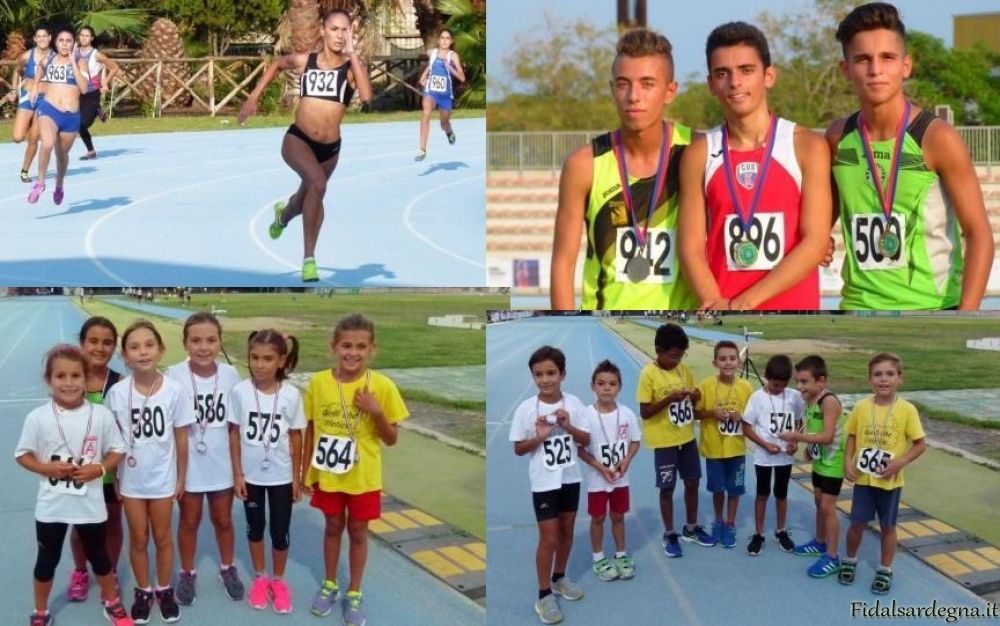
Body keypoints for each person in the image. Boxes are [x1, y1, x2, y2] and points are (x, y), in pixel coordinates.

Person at [827, 2, 993, 309]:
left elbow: (978, 234)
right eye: (862, 59)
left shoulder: (937, 138)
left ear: (906, 65)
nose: (875, 70)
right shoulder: (838, 137)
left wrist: (965, 319)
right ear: (846, 69)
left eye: (887, 58)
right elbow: (820, 222)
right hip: (857, 311)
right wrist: (819, 239)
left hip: (932, 311)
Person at [677, 21, 830, 310]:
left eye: (746, 70)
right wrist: (715, 301)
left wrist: (746, 302)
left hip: (791, 313)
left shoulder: (807, 146)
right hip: (723, 309)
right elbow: (690, 246)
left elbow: (816, 243)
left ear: (768, 76)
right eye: (723, 73)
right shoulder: (699, 153)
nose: (735, 82)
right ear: (711, 84)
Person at [551, 27, 698, 310]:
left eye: (647, 84)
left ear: (670, 92)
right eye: (623, 84)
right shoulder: (584, 165)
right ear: (612, 89)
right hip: (603, 320)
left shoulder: (698, 152)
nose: (633, 96)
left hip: (679, 322)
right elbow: (562, 263)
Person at [238, 9, 373, 282]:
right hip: (298, 140)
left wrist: (353, 55)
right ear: (323, 31)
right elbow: (278, 64)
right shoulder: (306, 62)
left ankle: (282, 217)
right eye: (334, 29)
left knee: (304, 199)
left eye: (345, 30)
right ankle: (309, 259)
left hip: (330, 150)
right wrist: (253, 97)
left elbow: (367, 96)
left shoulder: (351, 69)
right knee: (318, 185)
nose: (339, 35)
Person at [302, 314, 408, 626]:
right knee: (332, 526)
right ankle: (330, 583)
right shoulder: (319, 383)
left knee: (359, 532)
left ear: (372, 350)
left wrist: (377, 413)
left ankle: (355, 591)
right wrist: (305, 471)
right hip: (329, 473)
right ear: (334, 346)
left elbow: (391, 438)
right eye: (346, 345)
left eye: (361, 347)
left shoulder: (382, 387)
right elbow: (311, 429)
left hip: (363, 477)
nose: (353, 352)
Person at [16, 345, 132, 626]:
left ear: (86, 378)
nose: (68, 383)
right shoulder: (38, 417)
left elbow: (118, 449)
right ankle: (40, 611)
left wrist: (99, 468)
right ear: (49, 379)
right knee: (47, 559)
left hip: (89, 504)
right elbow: (22, 455)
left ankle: (112, 603)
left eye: (75, 376)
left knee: (100, 557)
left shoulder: (100, 415)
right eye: (60, 376)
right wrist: (46, 468)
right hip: (52, 505)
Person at [105, 320, 195, 624]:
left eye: (148, 345)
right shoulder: (117, 394)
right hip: (131, 480)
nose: (142, 352)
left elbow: (181, 438)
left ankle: (164, 589)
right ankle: (143, 590)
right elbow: (112, 439)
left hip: (162, 479)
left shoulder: (174, 391)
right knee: (139, 538)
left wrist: (181, 477)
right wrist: (115, 477)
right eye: (134, 347)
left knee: (162, 536)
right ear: (125, 356)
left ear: (160, 350)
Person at [166, 313, 244, 605]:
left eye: (211, 340)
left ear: (220, 342)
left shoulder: (231, 375)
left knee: (223, 520)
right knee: (189, 521)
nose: (203, 347)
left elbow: (235, 426)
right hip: (188, 465)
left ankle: (227, 567)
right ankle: (187, 572)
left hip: (221, 463)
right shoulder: (173, 374)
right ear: (185, 343)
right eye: (196, 340)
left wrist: (238, 471)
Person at [509, 345, 589, 624]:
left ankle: (559, 577)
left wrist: (567, 426)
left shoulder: (574, 404)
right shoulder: (526, 409)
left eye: (551, 373)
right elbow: (518, 449)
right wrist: (540, 436)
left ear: (562, 374)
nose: (545, 380)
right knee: (549, 538)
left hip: (570, 478)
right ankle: (544, 595)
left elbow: (586, 440)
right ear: (533, 376)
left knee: (567, 531)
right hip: (544, 483)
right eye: (539, 374)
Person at [228, 330, 304, 613]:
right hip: (251, 477)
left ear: (281, 361)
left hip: (281, 476)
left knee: (280, 531)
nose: (259, 365)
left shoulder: (291, 394)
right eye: (254, 357)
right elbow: (234, 433)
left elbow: (296, 436)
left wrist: (296, 477)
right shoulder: (240, 391)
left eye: (268, 359)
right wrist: (238, 474)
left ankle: (278, 581)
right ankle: (260, 577)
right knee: (255, 527)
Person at [839, 353, 926, 594]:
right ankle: (850, 560)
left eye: (890, 374)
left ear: (900, 378)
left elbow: (920, 444)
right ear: (870, 380)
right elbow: (852, 435)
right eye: (878, 374)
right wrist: (847, 460)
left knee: (888, 526)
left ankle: (885, 569)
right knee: (857, 523)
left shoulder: (907, 410)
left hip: (890, 482)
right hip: (864, 480)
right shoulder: (861, 407)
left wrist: (900, 462)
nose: (883, 379)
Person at [636, 323, 711, 558]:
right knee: (667, 487)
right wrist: (669, 399)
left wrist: (695, 396)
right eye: (673, 356)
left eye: (680, 356)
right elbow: (645, 412)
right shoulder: (648, 374)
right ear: (658, 350)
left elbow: (692, 403)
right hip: (664, 442)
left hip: (686, 438)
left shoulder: (683, 370)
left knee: (693, 482)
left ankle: (691, 527)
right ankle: (669, 533)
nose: (677, 360)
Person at [66, 318, 123, 602]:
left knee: (112, 522)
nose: (100, 348)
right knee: (80, 527)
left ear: (114, 347)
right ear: (82, 343)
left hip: (110, 471)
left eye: (107, 342)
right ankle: (80, 571)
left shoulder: (120, 384)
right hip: (78, 470)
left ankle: (110, 573)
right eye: (93, 341)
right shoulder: (70, 380)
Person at [779, 355, 847, 578]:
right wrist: (808, 446)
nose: (799, 387)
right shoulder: (809, 400)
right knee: (818, 502)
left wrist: (796, 437)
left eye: (804, 382)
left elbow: (827, 436)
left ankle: (832, 556)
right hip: (820, 461)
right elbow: (812, 428)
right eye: (797, 381)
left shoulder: (829, 401)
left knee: (828, 507)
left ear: (821, 381)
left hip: (833, 463)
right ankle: (819, 541)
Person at [577, 360, 641, 582]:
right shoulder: (585, 415)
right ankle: (598, 558)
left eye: (612, 384)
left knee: (618, 517)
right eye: (601, 383)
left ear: (620, 387)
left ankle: (621, 555)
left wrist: (627, 460)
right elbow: (580, 449)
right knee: (597, 518)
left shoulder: (627, 414)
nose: (607, 388)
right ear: (592, 386)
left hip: (621, 479)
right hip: (598, 480)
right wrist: (600, 467)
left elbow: (635, 442)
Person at [740, 354, 804, 556]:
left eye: (783, 385)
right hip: (764, 457)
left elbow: (800, 422)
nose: (779, 389)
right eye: (775, 385)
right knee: (762, 494)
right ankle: (759, 534)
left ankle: (780, 530)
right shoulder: (757, 398)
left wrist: (795, 442)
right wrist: (765, 444)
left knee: (781, 493)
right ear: (766, 377)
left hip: (785, 456)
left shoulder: (794, 396)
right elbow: (746, 427)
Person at [694, 340, 752, 549]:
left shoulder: (746, 387)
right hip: (714, 449)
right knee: (717, 489)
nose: (728, 363)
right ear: (715, 363)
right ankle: (718, 520)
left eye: (732, 359)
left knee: (734, 490)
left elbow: (753, 416)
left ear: (739, 361)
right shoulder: (705, 386)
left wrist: (741, 416)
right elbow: (695, 413)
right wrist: (712, 413)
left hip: (736, 449)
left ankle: (730, 524)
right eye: (723, 359)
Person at [27, 26, 90, 205]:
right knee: (47, 143)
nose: (64, 44)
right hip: (49, 109)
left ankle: (59, 185)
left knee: (61, 155)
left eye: (68, 41)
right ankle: (40, 183)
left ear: (74, 44)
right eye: (61, 40)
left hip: (70, 117)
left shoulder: (81, 62)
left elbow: (84, 89)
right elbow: (40, 68)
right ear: (55, 42)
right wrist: (35, 86)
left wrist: (73, 63)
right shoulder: (49, 59)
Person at [415, 28, 465, 161]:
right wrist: (423, 77)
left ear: (451, 41)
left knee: (444, 124)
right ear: (438, 40)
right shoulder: (432, 52)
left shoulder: (453, 56)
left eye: (447, 38)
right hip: (431, 91)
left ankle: (448, 130)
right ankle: (422, 149)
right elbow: (430, 65)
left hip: (445, 96)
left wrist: (450, 67)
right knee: (426, 113)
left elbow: (462, 78)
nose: (444, 41)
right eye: (442, 38)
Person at [11, 26, 52, 183]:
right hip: (28, 97)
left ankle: (25, 171)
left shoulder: (55, 58)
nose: (42, 39)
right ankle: (27, 124)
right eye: (38, 36)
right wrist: (14, 90)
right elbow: (16, 71)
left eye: (44, 36)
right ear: (35, 39)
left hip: (45, 100)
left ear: (50, 38)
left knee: (34, 139)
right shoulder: (27, 55)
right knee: (17, 137)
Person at [75, 26, 119, 160]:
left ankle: (96, 110)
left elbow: (114, 67)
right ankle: (91, 151)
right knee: (76, 123)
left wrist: (105, 82)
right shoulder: (74, 52)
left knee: (83, 123)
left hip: (92, 91)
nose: (84, 38)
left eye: (87, 36)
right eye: (82, 35)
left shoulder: (96, 54)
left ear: (92, 38)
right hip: (77, 92)